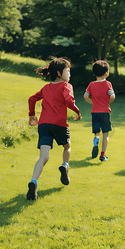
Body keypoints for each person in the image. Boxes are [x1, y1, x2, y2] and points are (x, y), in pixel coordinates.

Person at [27, 57, 82, 201]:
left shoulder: (46, 88)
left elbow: (31, 99)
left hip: (44, 125)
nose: (69, 73)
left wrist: (32, 115)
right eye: (67, 70)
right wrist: (77, 112)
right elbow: (69, 101)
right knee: (67, 145)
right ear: (59, 73)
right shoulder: (66, 86)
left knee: (43, 156)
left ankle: (33, 181)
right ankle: (65, 165)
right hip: (59, 124)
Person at [84, 60, 115, 162]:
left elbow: (85, 96)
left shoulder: (91, 84)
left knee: (97, 131)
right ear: (106, 73)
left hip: (95, 112)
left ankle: (96, 139)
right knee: (105, 133)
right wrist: (109, 101)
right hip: (105, 112)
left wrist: (93, 102)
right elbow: (112, 95)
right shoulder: (107, 84)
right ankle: (102, 155)